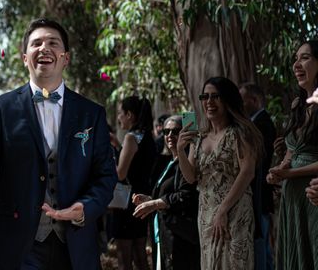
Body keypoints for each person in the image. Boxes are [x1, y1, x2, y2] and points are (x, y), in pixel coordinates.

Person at [0, 18, 118, 269]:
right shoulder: (2, 108)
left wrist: (84, 208)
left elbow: (105, 176)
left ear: (65, 57)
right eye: (36, 43)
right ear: (25, 58)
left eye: (52, 43)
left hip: (75, 246)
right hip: (16, 246)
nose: (44, 48)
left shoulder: (91, 114)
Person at [177, 77, 262, 270]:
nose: (209, 102)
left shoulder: (240, 133)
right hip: (206, 213)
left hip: (235, 210)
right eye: (205, 96)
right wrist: (181, 151)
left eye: (216, 96)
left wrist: (223, 210)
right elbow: (190, 177)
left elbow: (247, 172)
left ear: (227, 100)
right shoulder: (198, 138)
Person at [267, 40, 318, 269]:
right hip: (291, 196)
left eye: (305, 58)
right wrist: (281, 170)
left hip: (312, 194)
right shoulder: (298, 104)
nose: (297, 64)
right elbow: (292, 148)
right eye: (295, 59)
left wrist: (291, 173)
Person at [132, 115, 200, 270]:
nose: (170, 136)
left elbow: (186, 195)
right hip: (164, 234)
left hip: (181, 237)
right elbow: (168, 195)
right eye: (166, 131)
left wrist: (155, 203)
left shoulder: (188, 163)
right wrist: (149, 199)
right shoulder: (167, 161)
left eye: (175, 131)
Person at [111, 96, 156, 270]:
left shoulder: (130, 138)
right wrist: (118, 147)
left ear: (129, 114)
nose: (119, 118)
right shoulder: (146, 136)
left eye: (121, 113)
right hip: (142, 199)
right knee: (140, 255)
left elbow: (121, 174)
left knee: (124, 258)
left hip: (125, 204)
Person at [239, 82, 276, 270]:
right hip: (258, 195)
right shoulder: (256, 123)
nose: (239, 105)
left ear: (253, 100)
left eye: (242, 101)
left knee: (259, 246)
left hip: (259, 195)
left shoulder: (261, 124)